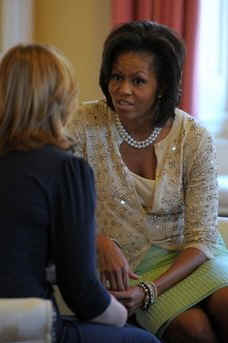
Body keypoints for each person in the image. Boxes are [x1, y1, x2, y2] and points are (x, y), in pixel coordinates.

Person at [68, 20, 228, 343]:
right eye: (117, 77)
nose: (123, 89)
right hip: (131, 268)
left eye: (138, 80)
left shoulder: (193, 137)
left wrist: (149, 291)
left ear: (163, 87)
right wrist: (98, 241)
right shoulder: (84, 125)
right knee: (193, 330)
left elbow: (203, 238)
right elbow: (59, 199)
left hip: (191, 259)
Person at [0, 43, 161, 343]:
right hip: (25, 327)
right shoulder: (66, 170)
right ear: (60, 101)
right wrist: (121, 316)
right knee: (144, 340)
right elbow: (82, 293)